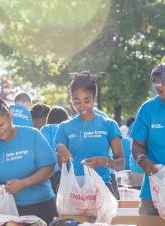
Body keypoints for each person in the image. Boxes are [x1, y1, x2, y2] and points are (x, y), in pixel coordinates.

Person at [0, 96, 57, 224]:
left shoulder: (33, 136)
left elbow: (49, 168)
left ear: (10, 117)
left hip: (37, 207)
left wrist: (23, 183)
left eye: (1, 124)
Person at [56, 71, 125, 195]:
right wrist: (60, 150)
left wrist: (104, 161)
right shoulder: (64, 127)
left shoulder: (109, 125)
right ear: (71, 100)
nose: (82, 106)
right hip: (75, 190)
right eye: (77, 102)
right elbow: (61, 164)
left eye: (86, 101)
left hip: (102, 188)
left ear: (94, 99)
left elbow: (121, 163)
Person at [131, 63, 165, 215]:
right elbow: (137, 144)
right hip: (152, 193)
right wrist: (143, 159)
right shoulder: (147, 109)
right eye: (160, 91)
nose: (163, 94)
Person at [40, 106, 69, 194]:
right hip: (67, 171)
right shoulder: (67, 129)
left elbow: (43, 149)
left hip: (51, 171)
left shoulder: (46, 128)